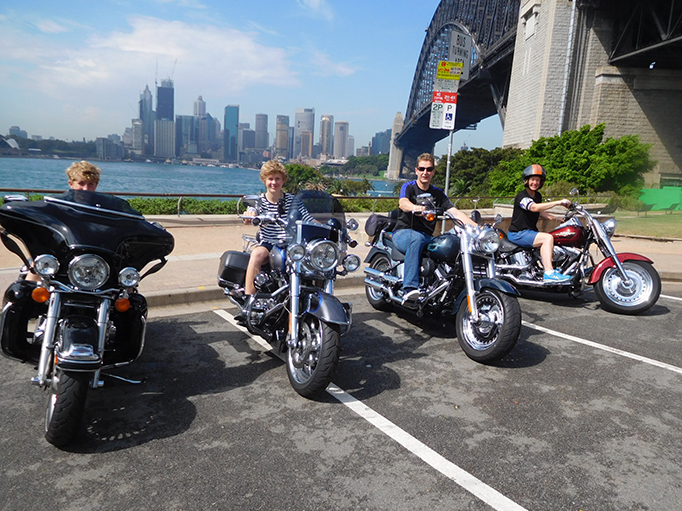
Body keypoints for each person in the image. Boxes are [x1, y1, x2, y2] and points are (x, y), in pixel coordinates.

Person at [392, 153, 476, 302]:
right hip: (404, 233)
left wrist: (477, 227)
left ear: (433, 172)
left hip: (427, 236)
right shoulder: (409, 187)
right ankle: (409, 288)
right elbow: (403, 203)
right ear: (416, 170)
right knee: (416, 239)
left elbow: (455, 212)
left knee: (452, 242)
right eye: (422, 169)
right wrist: (417, 208)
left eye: (429, 169)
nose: (425, 172)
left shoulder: (438, 194)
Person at [24, 161, 102, 282]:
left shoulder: (103, 209)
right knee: (35, 268)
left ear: (96, 185)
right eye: (81, 183)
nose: (85, 189)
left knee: (125, 283)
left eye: (90, 184)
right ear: (71, 184)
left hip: (93, 257)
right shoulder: (58, 206)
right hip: (61, 253)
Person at [508, 164, 572, 282]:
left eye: (538, 180)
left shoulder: (537, 195)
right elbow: (534, 208)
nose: (535, 183)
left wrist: (557, 218)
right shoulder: (522, 197)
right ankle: (549, 273)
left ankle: (552, 267)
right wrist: (559, 202)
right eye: (532, 179)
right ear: (526, 180)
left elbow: (539, 213)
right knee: (547, 238)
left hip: (529, 231)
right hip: (518, 233)